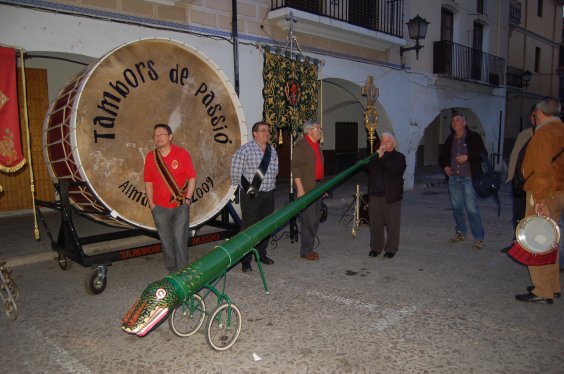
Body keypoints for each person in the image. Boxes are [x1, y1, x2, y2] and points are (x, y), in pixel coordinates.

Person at [515, 97, 564, 304]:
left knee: (536, 241)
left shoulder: (544, 134)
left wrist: (540, 199)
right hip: (559, 191)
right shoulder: (561, 130)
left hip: (544, 193)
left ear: (538, 112)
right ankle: (552, 286)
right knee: (550, 240)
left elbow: (542, 170)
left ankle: (542, 290)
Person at [144, 124, 197, 274]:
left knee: (180, 241)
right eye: (156, 135)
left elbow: (192, 177)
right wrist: (152, 204)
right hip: (159, 208)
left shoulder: (182, 154)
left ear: (170, 137)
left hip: (180, 206)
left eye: (162, 134)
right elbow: (148, 182)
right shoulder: (150, 157)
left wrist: (187, 199)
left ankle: (182, 272)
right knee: (166, 242)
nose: (158, 137)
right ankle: (172, 271)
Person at [230, 121, 279, 273]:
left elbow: (276, 170)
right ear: (255, 133)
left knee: (266, 225)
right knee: (249, 227)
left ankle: (262, 254)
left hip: (269, 193)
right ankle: (245, 260)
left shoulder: (273, 150)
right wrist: (249, 189)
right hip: (251, 195)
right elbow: (235, 173)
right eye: (263, 130)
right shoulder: (245, 150)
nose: (267, 133)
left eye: (268, 131)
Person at [439, 113, 487, 250]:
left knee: (472, 209)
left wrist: (468, 157)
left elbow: (483, 155)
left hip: (469, 178)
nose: (454, 122)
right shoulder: (450, 139)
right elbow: (443, 156)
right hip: (454, 178)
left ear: (465, 123)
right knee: (456, 207)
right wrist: (446, 166)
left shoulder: (473, 138)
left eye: (458, 120)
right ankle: (460, 232)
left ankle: (479, 238)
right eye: (453, 121)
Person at [501, 106, 536, 253]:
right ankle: (518, 244)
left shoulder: (547, 136)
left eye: (537, 116)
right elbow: (515, 154)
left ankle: (533, 246)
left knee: (533, 216)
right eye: (532, 116)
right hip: (518, 182)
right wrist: (511, 175)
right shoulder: (525, 134)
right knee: (518, 215)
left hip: (535, 184)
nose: (534, 119)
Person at [367, 132, 406, 259]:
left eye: (387, 141)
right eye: (382, 141)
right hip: (375, 196)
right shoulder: (377, 156)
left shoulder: (399, 157)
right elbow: (367, 166)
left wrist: (382, 156)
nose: (383, 143)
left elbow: (396, 169)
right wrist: (376, 155)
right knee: (375, 224)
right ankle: (376, 247)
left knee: (392, 224)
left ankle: (391, 248)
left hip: (391, 197)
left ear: (393, 144)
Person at [292, 120, 324, 261]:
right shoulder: (301, 145)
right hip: (307, 188)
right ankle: (305, 250)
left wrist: (323, 187)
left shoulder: (317, 145)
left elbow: (318, 168)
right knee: (309, 220)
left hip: (317, 186)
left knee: (316, 218)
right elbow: (296, 168)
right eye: (318, 128)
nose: (320, 130)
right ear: (309, 130)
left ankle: (309, 248)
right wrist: (299, 189)